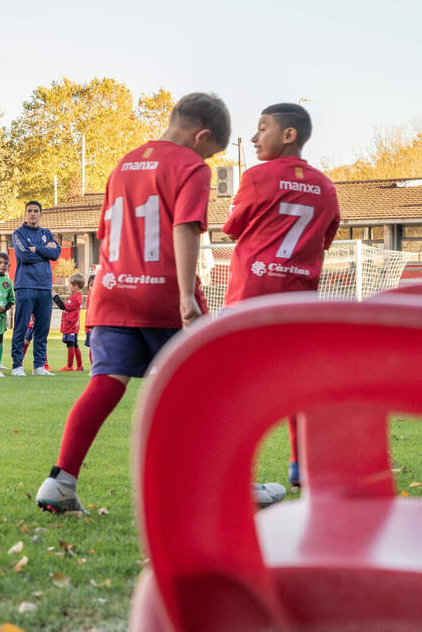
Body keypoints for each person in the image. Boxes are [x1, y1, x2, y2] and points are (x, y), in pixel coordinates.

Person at [34, 93, 284, 514]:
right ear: (202, 136)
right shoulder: (191, 168)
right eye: (209, 151)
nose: (206, 159)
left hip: (112, 290)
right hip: (161, 291)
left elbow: (106, 234)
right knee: (215, 387)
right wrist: (186, 297)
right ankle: (231, 486)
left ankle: (60, 481)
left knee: (105, 384)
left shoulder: (124, 163)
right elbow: (186, 227)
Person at [222, 102, 341, 490]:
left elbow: (232, 227)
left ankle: (235, 471)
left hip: (251, 294)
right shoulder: (326, 186)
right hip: (299, 301)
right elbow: (323, 241)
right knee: (297, 384)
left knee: (235, 385)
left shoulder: (257, 176)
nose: (254, 138)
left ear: (288, 135)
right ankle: (300, 464)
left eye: (262, 129)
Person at [10, 201, 61, 377]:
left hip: (45, 287)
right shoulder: (18, 233)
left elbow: (56, 253)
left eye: (36, 211)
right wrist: (45, 251)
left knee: (42, 328)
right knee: (21, 327)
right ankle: (17, 366)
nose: (33, 214)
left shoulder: (47, 233)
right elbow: (24, 255)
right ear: (25, 213)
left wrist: (37, 249)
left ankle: (38, 366)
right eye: (30, 211)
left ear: (40, 214)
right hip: (25, 285)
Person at [0, 252, 17, 374]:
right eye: (0, 262)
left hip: (1, 317)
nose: (2, 265)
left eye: (5, 263)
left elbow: (11, 301)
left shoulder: (8, 282)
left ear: (8, 266)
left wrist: (5, 308)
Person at [53, 274, 86, 371]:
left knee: (70, 344)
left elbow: (63, 306)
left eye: (70, 285)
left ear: (75, 286)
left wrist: (55, 297)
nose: (69, 287)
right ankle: (79, 365)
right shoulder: (76, 296)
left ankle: (69, 366)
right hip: (73, 324)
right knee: (74, 344)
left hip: (71, 324)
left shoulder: (75, 298)